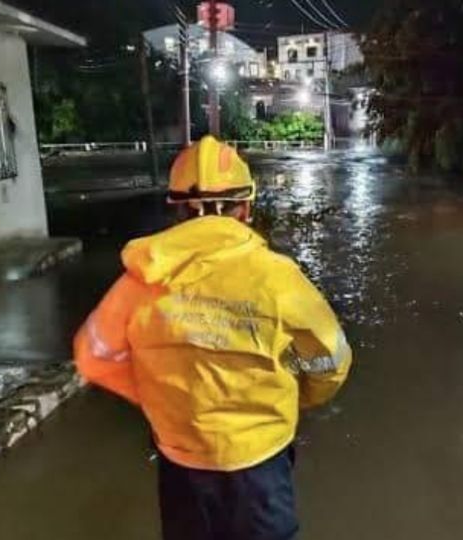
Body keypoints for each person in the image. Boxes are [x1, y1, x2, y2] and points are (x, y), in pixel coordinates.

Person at [73, 136, 352, 540]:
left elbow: (92, 355)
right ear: (245, 208)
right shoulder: (277, 278)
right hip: (260, 463)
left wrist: (161, 399)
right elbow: (331, 360)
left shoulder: (139, 282)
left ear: (179, 210)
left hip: (181, 464)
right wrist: (298, 398)